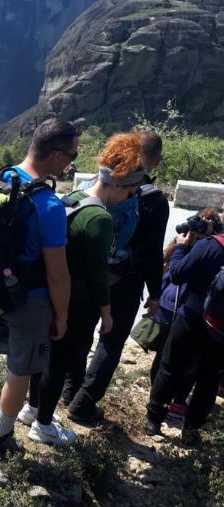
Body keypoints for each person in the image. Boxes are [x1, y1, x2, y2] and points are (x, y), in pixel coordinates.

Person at [0, 118, 76, 459]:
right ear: (54, 156)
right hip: (29, 299)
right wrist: (62, 315)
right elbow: (57, 273)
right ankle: (0, 437)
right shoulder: (50, 206)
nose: (71, 163)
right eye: (71, 155)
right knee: (20, 369)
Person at [29, 133, 145, 445]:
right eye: (130, 190)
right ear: (117, 184)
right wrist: (107, 314)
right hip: (78, 302)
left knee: (44, 356)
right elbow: (98, 275)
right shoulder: (100, 220)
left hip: (50, 293)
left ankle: (32, 407)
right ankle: (43, 425)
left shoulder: (75, 198)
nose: (131, 196)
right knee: (61, 361)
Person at [65, 131, 169, 425]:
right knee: (110, 342)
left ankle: (70, 389)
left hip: (88, 277)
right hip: (128, 280)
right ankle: (83, 403)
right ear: (156, 161)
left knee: (82, 332)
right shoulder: (153, 199)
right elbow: (152, 253)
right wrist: (156, 293)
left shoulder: (101, 184)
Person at [146, 219, 224, 446]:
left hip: (191, 316)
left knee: (170, 368)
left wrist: (181, 246)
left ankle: (154, 420)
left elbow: (178, 274)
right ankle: (191, 429)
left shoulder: (210, 246)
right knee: (208, 379)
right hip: (220, 329)